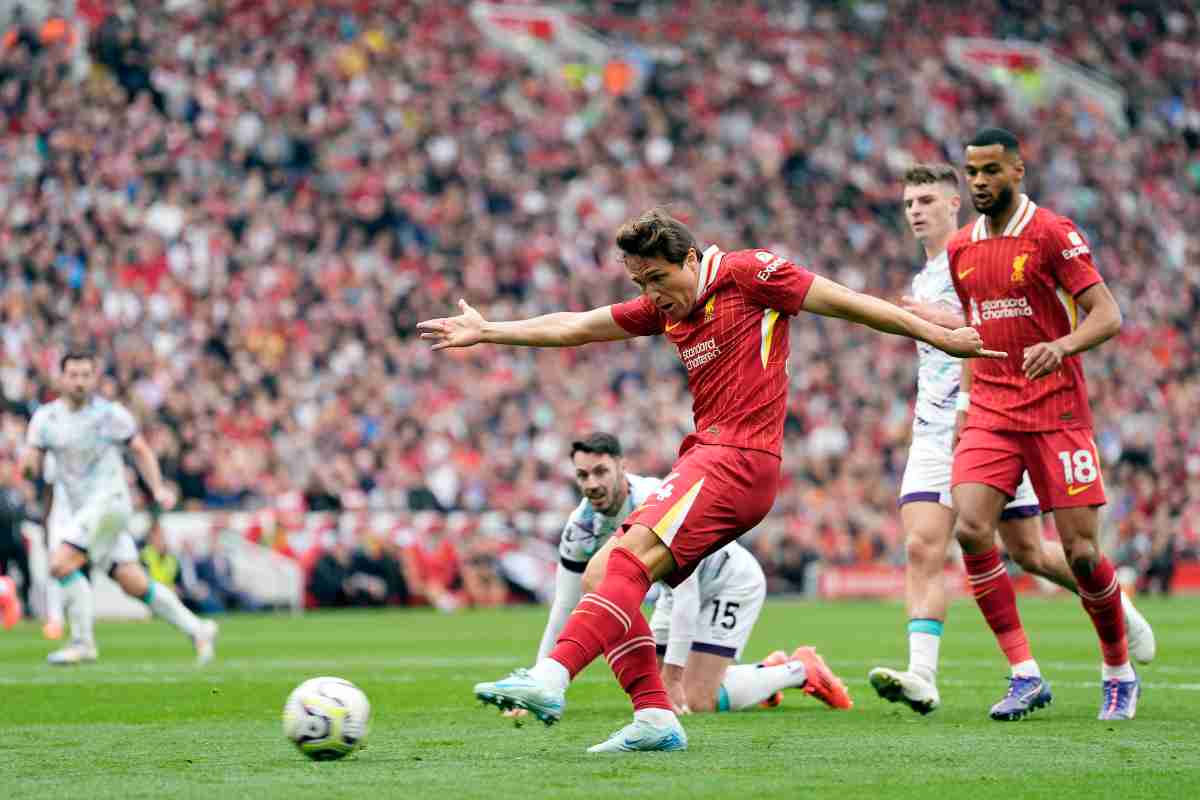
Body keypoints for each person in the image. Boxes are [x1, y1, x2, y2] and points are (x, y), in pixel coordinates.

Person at [420, 208, 1000, 752]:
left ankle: (551, 677)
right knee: (605, 571)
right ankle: (654, 716)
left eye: (656, 278)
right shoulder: (666, 307)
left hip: (738, 456)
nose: (650, 295)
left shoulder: (751, 274)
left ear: (691, 260)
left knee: (622, 565)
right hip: (712, 456)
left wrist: (937, 335)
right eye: (640, 282)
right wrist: (490, 330)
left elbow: (849, 303)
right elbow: (576, 325)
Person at [869, 164, 1155, 714]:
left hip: (1005, 412)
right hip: (940, 426)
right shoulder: (924, 277)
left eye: (927, 199)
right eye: (908, 202)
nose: (915, 211)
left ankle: (1116, 607)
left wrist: (932, 326)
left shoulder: (977, 254)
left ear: (956, 204)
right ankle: (924, 674)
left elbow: (986, 327)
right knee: (925, 543)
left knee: (1033, 552)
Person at [931, 128, 1136, 721]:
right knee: (970, 529)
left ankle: (1118, 670)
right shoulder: (961, 247)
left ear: (1018, 170)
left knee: (1080, 553)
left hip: (1057, 411)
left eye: (990, 171)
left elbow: (1108, 314)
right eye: (971, 173)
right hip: (992, 411)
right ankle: (1024, 674)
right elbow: (978, 337)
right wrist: (966, 408)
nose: (978, 183)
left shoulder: (1053, 233)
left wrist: (1064, 346)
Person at [514, 432, 847, 720]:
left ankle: (798, 670)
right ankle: (759, 676)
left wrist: (674, 677)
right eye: (583, 475)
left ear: (622, 467)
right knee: (654, 683)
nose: (592, 484)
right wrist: (537, 682)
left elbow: (687, 592)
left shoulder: (655, 500)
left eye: (601, 471)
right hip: (674, 595)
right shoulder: (581, 528)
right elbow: (566, 605)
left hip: (728, 581)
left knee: (695, 698)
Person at [20, 350, 218, 666]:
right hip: (79, 509)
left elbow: (141, 450)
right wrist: (28, 467)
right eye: (73, 375)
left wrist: (156, 488)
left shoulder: (109, 414)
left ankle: (83, 643)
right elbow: (31, 464)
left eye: (86, 375)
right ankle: (198, 629)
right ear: (61, 378)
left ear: (95, 377)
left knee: (60, 564)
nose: (80, 382)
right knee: (132, 581)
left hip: (110, 502)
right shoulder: (45, 419)